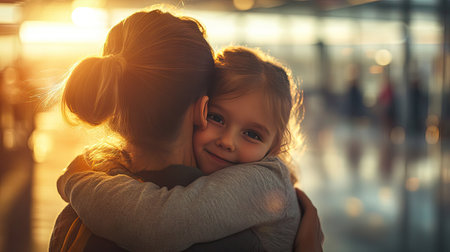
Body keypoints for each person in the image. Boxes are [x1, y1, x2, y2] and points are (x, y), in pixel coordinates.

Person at [51, 8, 323, 252]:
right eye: (218, 117)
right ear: (201, 110)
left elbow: (159, 224)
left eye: (252, 134)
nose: (228, 141)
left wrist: (77, 180)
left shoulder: (263, 183)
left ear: (275, 148)